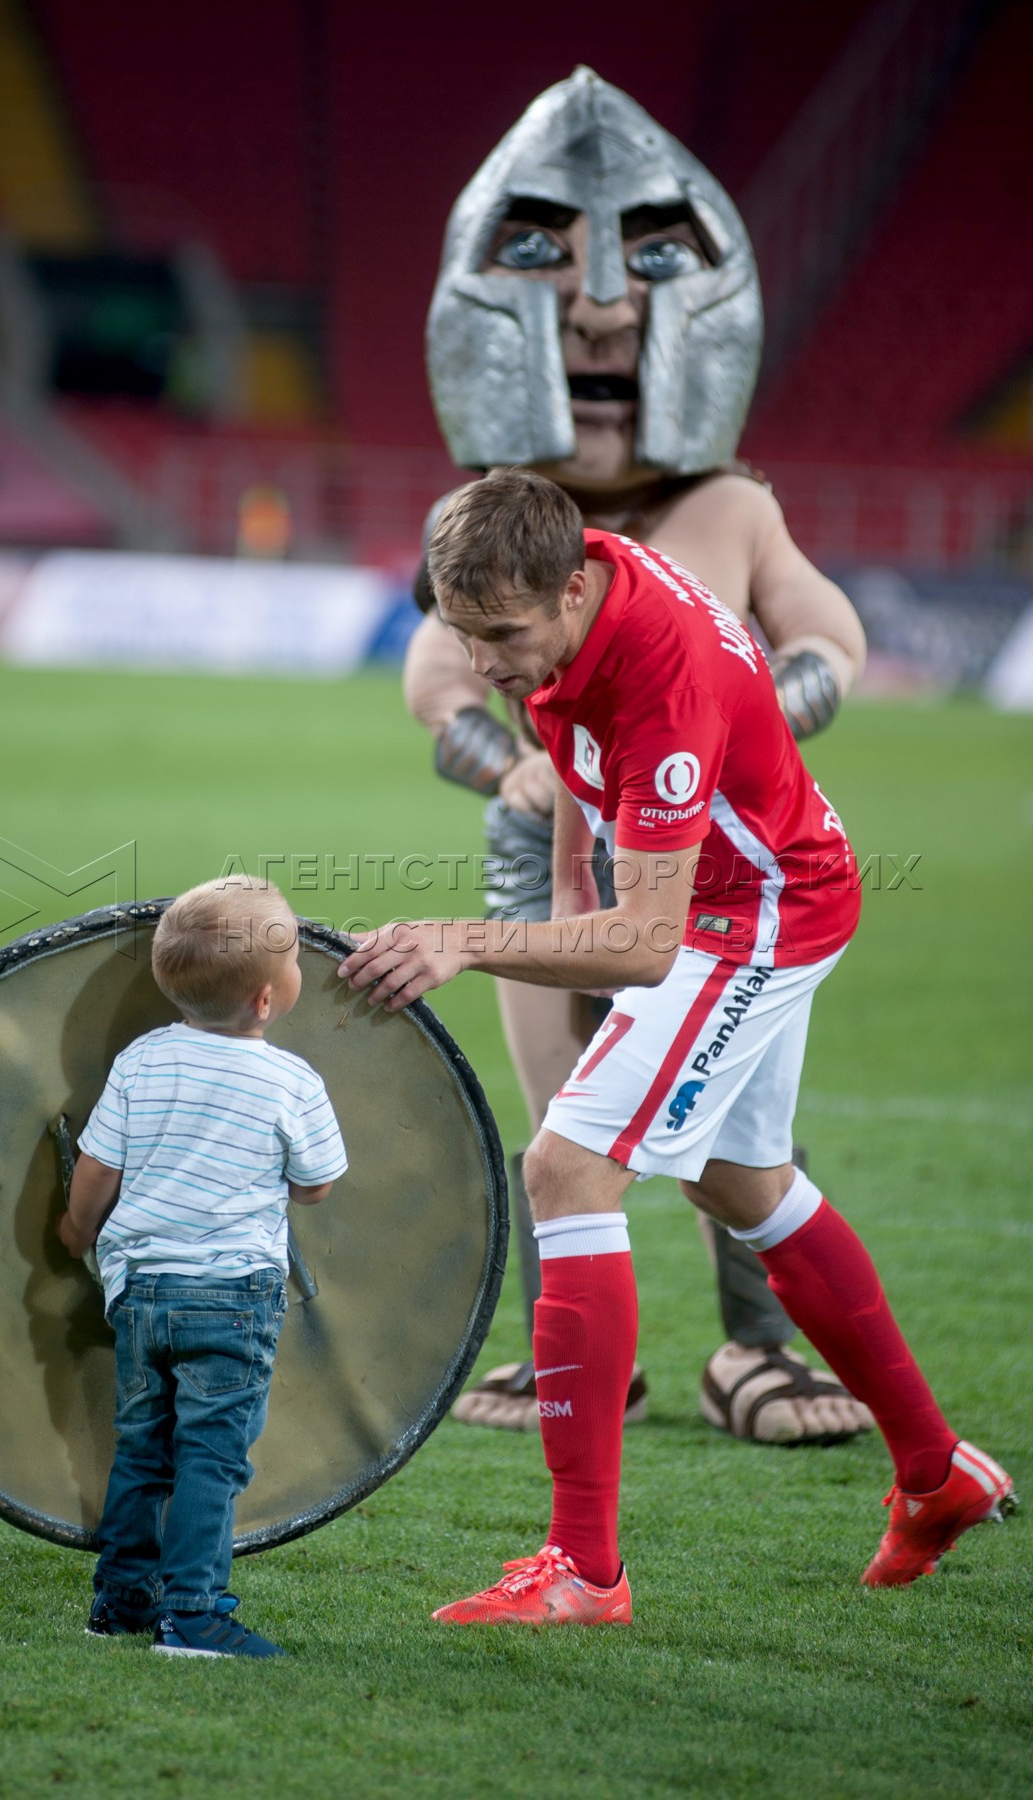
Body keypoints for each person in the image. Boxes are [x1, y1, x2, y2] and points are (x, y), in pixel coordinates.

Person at [341, 469, 1015, 1620]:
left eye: (502, 637)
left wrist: (465, 940)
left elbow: (652, 946)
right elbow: (564, 742)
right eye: (463, 638)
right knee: (743, 1183)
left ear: (567, 593)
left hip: (750, 916)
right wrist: (560, 897)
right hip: (743, 896)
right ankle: (937, 1473)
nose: (486, 667)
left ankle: (586, 1571)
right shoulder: (570, 572)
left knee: (563, 1168)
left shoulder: (663, 676)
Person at [406, 67, 870, 1443]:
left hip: (726, 865)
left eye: (648, 263)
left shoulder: (728, 506)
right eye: (542, 257)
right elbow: (435, 689)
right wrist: (509, 767)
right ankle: (577, 1355)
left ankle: (757, 1347)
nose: (601, 307)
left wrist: (760, 708)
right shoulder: (482, 525)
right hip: (541, 855)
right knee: (563, 1116)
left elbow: (828, 638)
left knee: (727, 1112)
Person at [56, 876, 347, 1658]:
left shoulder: (141, 1061)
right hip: (234, 1296)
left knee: (142, 1449)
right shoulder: (292, 1081)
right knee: (209, 1460)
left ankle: (119, 1604)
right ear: (265, 999)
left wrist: (77, 1229)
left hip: (142, 1292)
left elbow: (96, 1165)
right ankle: (194, 1615)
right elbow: (316, 1185)